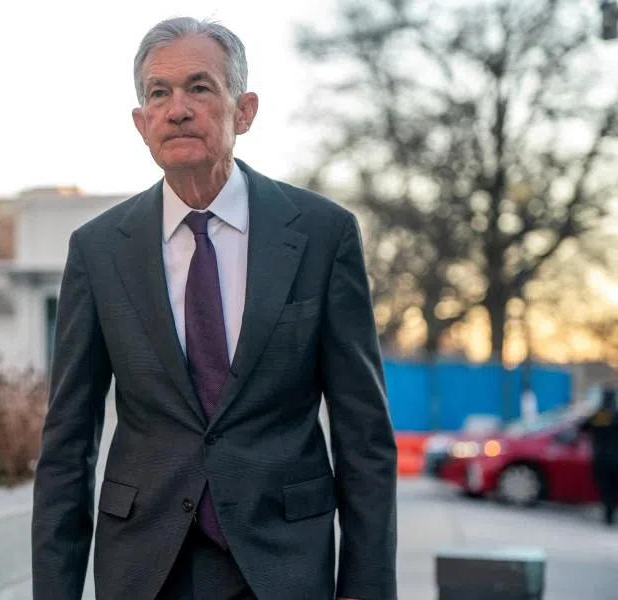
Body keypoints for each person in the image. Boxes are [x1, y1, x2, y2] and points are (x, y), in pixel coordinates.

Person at [31, 16, 398, 600]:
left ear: (244, 111)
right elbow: (68, 442)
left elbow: (365, 439)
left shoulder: (324, 236)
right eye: (158, 93)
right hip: (143, 567)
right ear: (141, 122)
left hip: (283, 562)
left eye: (199, 88)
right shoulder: (98, 250)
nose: (177, 109)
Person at [581, 387, 618, 525]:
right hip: (615, 459)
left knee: (606, 489)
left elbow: (582, 428)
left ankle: (608, 516)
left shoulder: (597, 416)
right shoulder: (616, 415)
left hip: (601, 459)